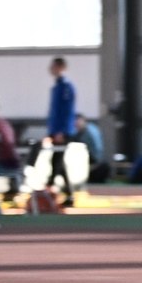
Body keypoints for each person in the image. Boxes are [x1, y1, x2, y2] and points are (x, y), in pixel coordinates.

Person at [37, 56, 79, 206]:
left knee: (57, 161)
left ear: (61, 67)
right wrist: (51, 131)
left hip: (62, 131)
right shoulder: (56, 87)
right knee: (58, 161)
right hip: (56, 130)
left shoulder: (66, 87)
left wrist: (61, 131)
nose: (51, 69)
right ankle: (66, 192)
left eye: (54, 66)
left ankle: (52, 189)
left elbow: (66, 112)